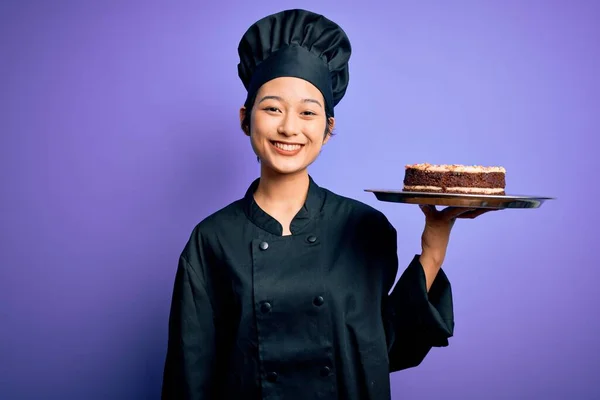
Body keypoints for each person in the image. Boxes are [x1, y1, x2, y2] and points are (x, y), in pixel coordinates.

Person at [161, 8, 491, 400]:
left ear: (328, 129)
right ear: (245, 118)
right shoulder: (211, 239)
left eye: (307, 112)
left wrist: (433, 247)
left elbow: (387, 348)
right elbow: (189, 375)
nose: (289, 127)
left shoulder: (365, 227)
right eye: (272, 108)